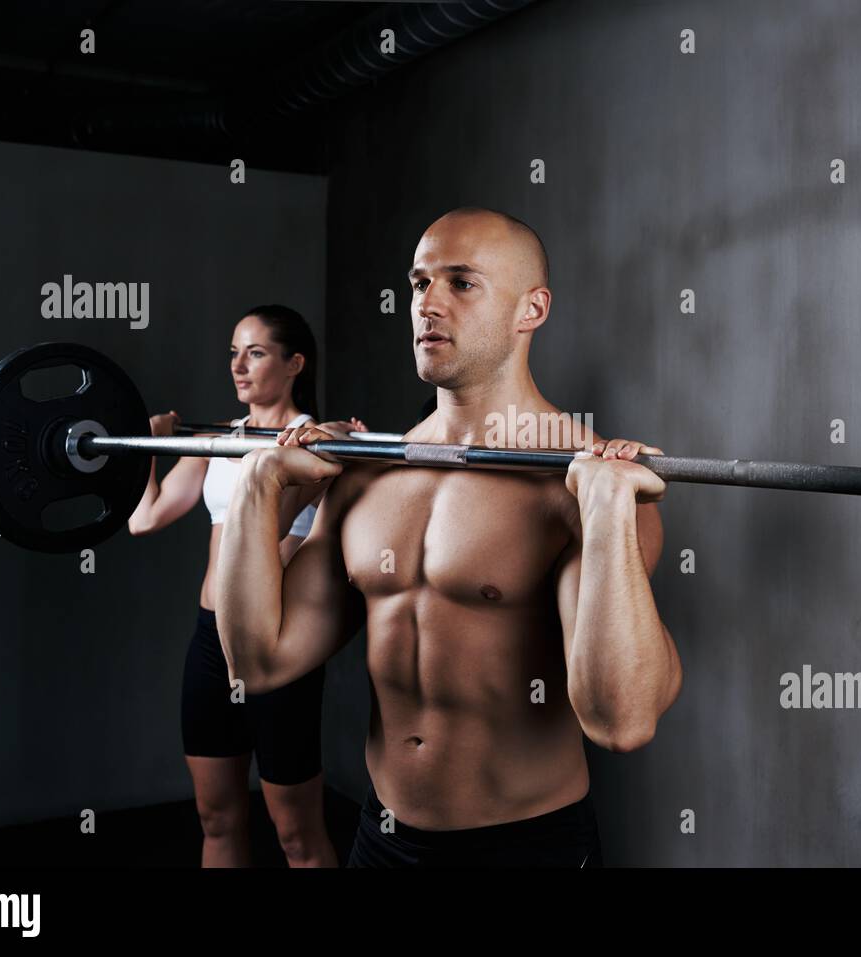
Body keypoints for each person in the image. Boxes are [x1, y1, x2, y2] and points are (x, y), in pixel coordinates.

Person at [216, 210, 682, 867]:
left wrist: (607, 512)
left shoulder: (583, 486)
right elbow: (257, 661)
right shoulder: (370, 471)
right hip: (382, 841)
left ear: (532, 309)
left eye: (461, 283)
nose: (427, 304)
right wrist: (258, 489)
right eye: (418, 283)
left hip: (524, 848)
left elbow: (622, 721)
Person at [127, 304, 367, 867]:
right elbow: (145, 518)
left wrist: (328, 438)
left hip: (277, 640)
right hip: (210, 640)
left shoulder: (318, 445)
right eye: (234, 352)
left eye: (255, 352)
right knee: (216, 819)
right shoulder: (213, 441)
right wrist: (151, 446)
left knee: (296, 834)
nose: (238, 365)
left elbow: (282, 516)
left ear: (295, 363)